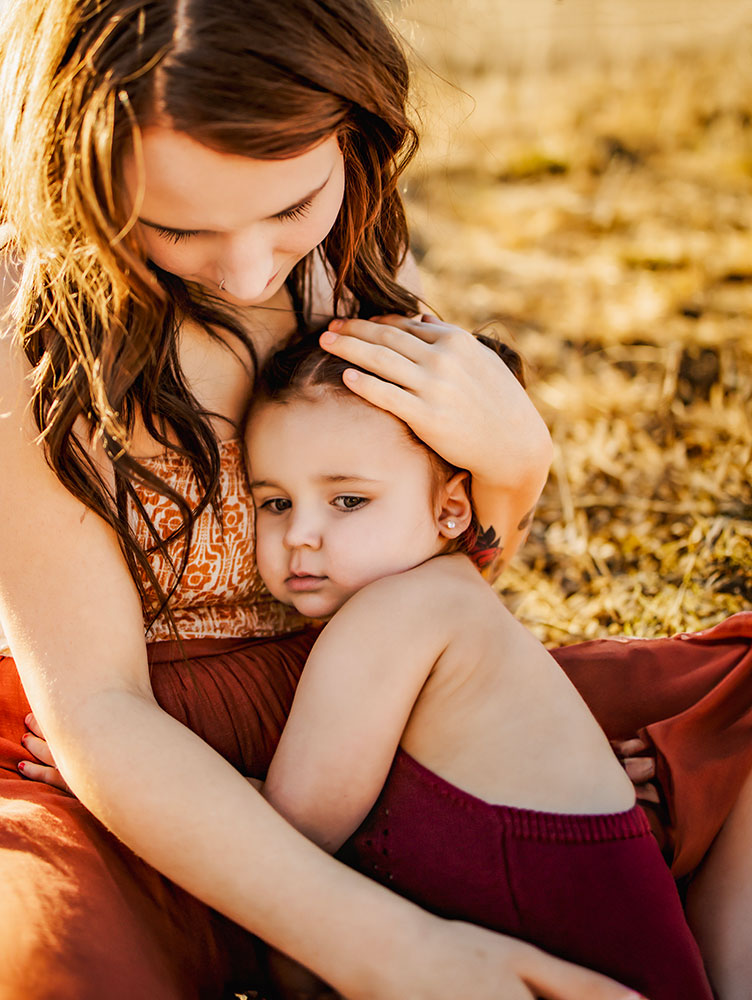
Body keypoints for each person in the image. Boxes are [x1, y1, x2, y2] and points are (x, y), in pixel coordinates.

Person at [0, 1, 642, 998]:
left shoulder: (349, 270)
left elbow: (424, 576)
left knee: (717, 719)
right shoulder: (25, 330)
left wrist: (515, 461)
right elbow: (99, 710)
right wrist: (399, 951)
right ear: (77, 175)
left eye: (291, 206)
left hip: (345, 710)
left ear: (356, 135)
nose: (253, 269)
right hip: (115, 765)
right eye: (177, 225)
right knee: (49, 956)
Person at [239, 335, 712, 1000]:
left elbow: (286, 843)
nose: (300, 535)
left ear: (450, 509)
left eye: (348, 500)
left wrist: (144, 769)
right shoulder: (444, 598)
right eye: (275, 502)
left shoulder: (405, 612)